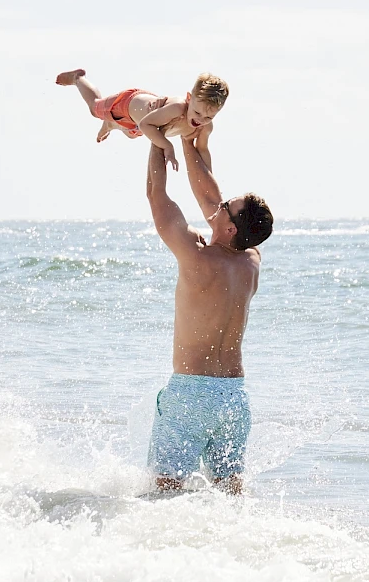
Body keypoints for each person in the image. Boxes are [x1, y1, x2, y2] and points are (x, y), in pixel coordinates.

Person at [144, 135, 273, 494]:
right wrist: (190, 139)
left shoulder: (196, 256)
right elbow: (209, 194)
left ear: (230, 227)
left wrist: (156, 136)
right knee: (231, 492)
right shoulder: (251, 262)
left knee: (164, 493)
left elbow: (157, 196)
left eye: (225, 207)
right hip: (233, 398)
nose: (216, 205)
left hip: (190, 395)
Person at [55, 69, 228, 171]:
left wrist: (209, 176)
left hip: (139, 121)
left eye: (209, 117)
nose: (201, 119)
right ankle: (78, 78)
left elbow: (203, 150)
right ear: (189, 98)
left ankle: (110, 124)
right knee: (95, 108)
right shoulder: (177, 108)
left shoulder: (205, 126)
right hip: (127, 104)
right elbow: (146, 124)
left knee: (131, 134)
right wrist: (167, 146)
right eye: (197, 112)